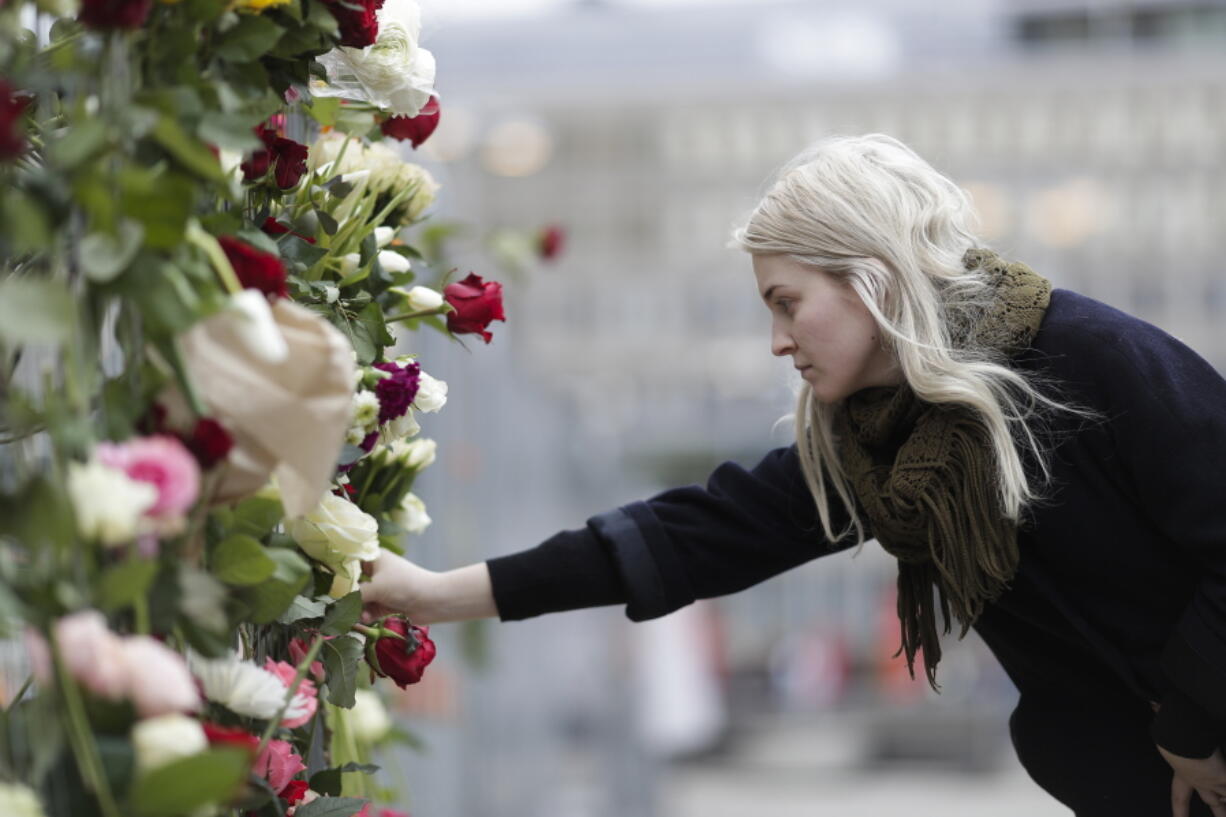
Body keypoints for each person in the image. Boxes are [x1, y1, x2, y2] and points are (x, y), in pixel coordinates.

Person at [360, 133, 1226, 817]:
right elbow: (698, 534)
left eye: (787, 302)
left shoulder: (1087, 359)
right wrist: (437, 593)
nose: (778, 340)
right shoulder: (881, 441)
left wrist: (1191, 726)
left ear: (873, 279)